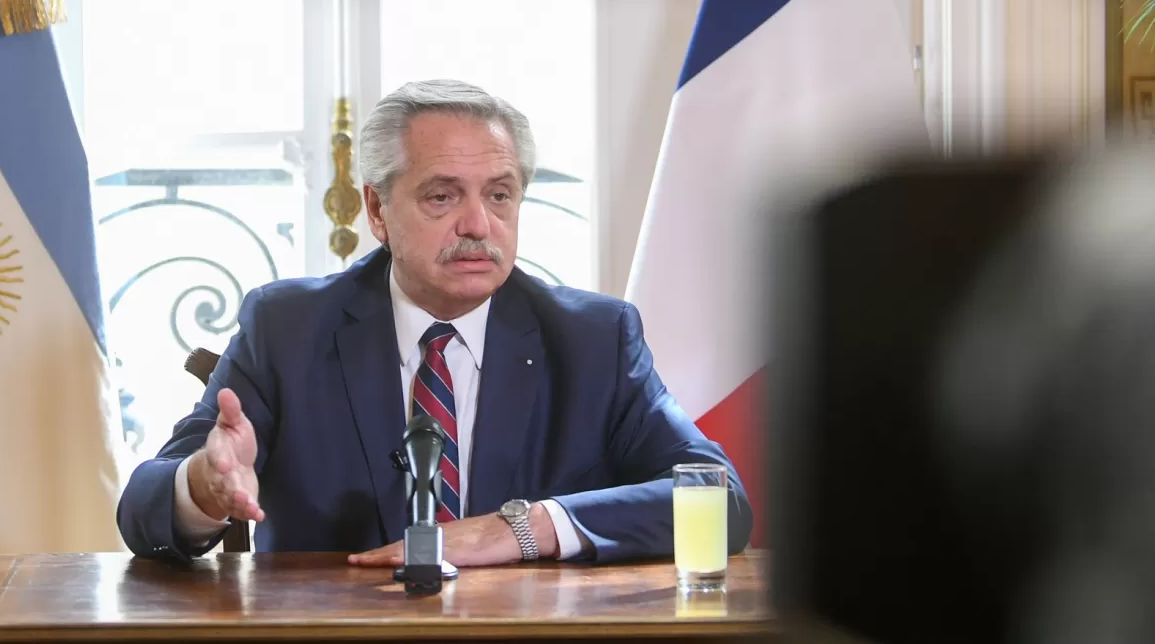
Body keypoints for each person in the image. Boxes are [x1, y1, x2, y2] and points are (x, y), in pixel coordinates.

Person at [117, 79, 752, 566]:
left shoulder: (594, 340)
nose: (478, 224)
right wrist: (203, 488)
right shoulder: (287, 328)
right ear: (376, 209)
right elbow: (141, 508)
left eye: (499, 194)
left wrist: (523, 528)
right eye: (442, 196)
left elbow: (719, 501)